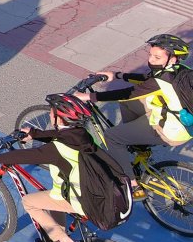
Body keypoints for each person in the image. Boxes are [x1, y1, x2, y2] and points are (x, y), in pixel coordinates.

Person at [0, 94, 114, 242]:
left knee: (29, 202)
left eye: (51, 113)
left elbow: (25, 156)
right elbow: (61, 135)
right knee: (52, 199)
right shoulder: (82, 134)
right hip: (100, 190)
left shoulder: (56, 149)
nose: (50, 115)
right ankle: (56, 240)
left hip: (83, 199)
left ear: (59, 119)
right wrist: (35, 134)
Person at [78, 34, 191, 174]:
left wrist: (89, 96)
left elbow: (128, 94)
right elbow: (147, 79)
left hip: (170, 130)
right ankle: (138, 145)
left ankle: (131, 183)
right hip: (176, 119)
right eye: (150, 55)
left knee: (112, 136)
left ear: (172, 58)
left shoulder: (162, 80)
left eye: (157, 57)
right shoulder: (180, 69)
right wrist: (117, 75)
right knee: (129, 104)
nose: (150, 60)